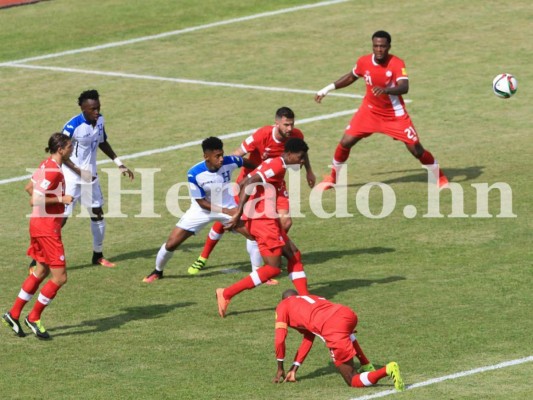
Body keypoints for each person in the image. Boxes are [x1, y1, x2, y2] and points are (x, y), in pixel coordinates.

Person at [188, 107, 316, 285]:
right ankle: (204, 256)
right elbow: (237, 154)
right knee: (230, 217)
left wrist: (309, 171)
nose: (289, 128)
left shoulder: (296, 135)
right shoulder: (261, 135)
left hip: (275, 185)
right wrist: (222, 172)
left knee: (285, 222)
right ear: (276, 122)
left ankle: (269, 254)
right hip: (251, 183)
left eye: (292, 124)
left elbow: (302, 152)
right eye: (286, 124)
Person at [315, 30, 448, 189]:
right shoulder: (364, 61)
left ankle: (440, 177)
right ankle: (332, 178)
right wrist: (327, 89)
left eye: (383, 46)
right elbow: (351, 76)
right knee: (346, 142)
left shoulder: (397, 63)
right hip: (369, 112)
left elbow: (404, 87)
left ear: (389, 47)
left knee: (416, 149)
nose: (379, 50)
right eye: (376, 46)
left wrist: (386, 90)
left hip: (394, 116)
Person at [216, 138, 310, 318]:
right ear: (289, 154)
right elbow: (251, 182)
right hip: (263, 222)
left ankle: (306, 299)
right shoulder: (277, 166)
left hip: (267, 218)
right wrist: (239, 213)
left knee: (294, 255)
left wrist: (242, 209)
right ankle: (226, 293)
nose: (302, 161)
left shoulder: (273, 162)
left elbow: (246, 180)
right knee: (273, 268)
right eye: (300, 157)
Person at [142, 137, 257, 283]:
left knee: (253, 236)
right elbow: (201, 202)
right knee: (171, 243)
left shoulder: (231, 161)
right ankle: (157, 271)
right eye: (217, 156)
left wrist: (251, 179)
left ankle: (257, 273)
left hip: (227, 206)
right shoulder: (194, 173)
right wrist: (227, 211)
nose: (221, 159)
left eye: (222, 154)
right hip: (202, 210)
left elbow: (253, 165)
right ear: (206, 157)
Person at [2, 133, 74, 339]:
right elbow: (34, 199)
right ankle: (33, 317)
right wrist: (62, 198)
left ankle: (13, 314)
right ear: (60, 149)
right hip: (47, 229)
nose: (71, 149)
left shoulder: (46, 165)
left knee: (41, 270)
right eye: (69, 146)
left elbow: (28, 187)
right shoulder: (53, 171)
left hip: (38, 225)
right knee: (60, 278)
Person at [272, 289, 405, 392]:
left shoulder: (283, 305)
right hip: (347, 313)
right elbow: (309, 337)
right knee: (345, 333)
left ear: (283, 299)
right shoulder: (310, 298)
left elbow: (279, 339)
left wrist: (280, 367)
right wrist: (294, 368)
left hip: (331, 326)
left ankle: (388, 369)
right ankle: (366, 364)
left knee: (352, 380)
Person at [60, 89, 134, 268]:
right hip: (70, 177)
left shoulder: (100, 120)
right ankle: (38, 258)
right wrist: (79, 172)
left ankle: (98, 255)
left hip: (90, 176)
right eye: (92, 109)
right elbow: (61, 154)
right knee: (61, 218)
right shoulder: (72, 126)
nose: (96, 112)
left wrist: (119, 163)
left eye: (98, 107)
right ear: (83, 109)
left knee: (97, 214)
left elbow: (102, 141)